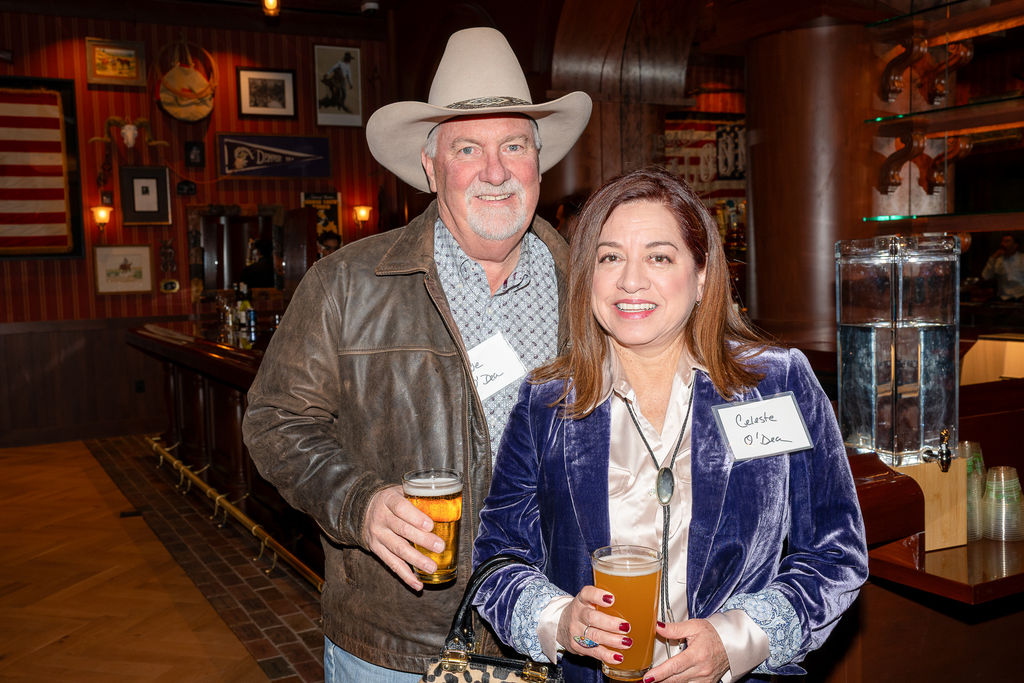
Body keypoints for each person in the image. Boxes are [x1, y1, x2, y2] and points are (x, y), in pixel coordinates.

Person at [242, 27, 591, 683]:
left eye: (513, 145)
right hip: (402, 649)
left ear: (538, 163)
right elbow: (274, 421)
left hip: (564, 635)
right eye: (468, 148)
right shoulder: (346, 284)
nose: (495, 171)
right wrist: (360, 503)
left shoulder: (593, 288)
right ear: (431, 168)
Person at [472, 167, 868, 683]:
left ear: (701, 275)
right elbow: (498, 559)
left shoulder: (776, 383)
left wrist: (736, 640)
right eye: (610, 257)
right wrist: (560, 620)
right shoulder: (547, 402)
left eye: (658, 257)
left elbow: (836, 555)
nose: (630, 280)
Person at [981, 233, 1024, 301]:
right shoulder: (997, 260)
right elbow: (985, 276)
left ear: (1015, 245)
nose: (1003, 244)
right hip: (1003, 298)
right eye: (1002, 241)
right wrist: (993, 258)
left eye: (1007, 241)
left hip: (1021, 297)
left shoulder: (1022, 259)